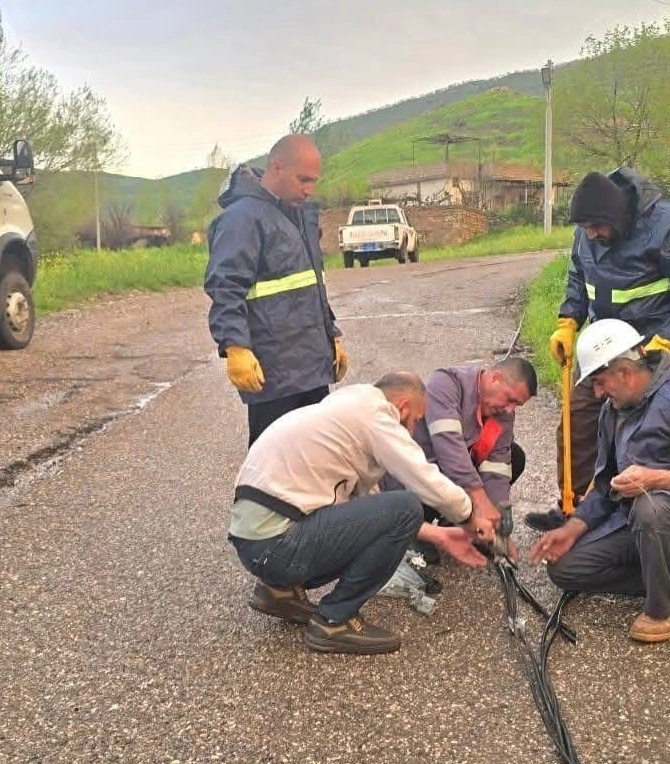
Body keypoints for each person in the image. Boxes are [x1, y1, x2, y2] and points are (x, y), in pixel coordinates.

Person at [228, 372, 492, 655]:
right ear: (402, 407)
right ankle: (335, 620)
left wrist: (438, 535)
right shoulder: (376, 414)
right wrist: (469, 515)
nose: (414, 430)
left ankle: (279, 592)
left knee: (398, 511)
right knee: (407, 505)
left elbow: (370, 514)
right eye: (415, 419)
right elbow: (421, 476)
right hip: (279, 546)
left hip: (256, 544)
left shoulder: (344, 410)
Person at [529, 320, 670, 644]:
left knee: (652, 506)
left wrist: (660, 478)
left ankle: (666, 606)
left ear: (625, 373)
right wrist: (572, 528)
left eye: (600, 382)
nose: (597, 393)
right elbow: (606, 485)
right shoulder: (611, 411)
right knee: (563, 569)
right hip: (644, 520)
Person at [527, 167, 670, 531]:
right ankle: (574, 510)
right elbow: (578, 278)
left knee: (643, 436)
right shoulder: (588, 234)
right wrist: (568, 321)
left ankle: (640, 522)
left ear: (616, 217)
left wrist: (664, 341)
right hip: (602, 348)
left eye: (597, 227)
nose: (592, 235)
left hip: (651, 350)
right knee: (578, 421)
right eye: (585, 228)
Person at [204, 134, 348, 446]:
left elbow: (311, 284)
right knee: (271, 469)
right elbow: (225, 286)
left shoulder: (298, 215)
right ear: (277, 167)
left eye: (313, 181)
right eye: (303, 179)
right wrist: (235, 346)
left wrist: (331, 334)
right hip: (274, 375)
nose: (309, 190)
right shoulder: (243, 218)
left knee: (316, 461)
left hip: (311, 367)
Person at [384, 357, 536, 549]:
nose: (510, 409)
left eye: (517, 405)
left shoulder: (504, 413)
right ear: (495, 378)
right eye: (510, 399)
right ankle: (419, 531)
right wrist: (480, 502)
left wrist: (498, 520)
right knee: (436, 481)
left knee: (516, 457)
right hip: (418, 477)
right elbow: (449, 450)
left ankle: (464, 526)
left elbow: (499, 465)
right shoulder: (446, 384)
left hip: (450, 478)